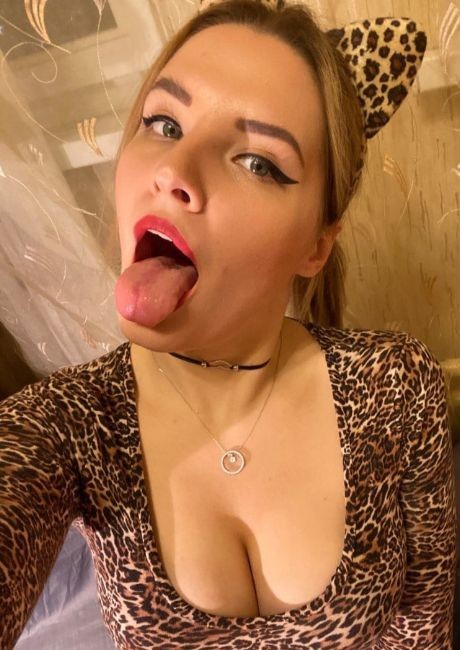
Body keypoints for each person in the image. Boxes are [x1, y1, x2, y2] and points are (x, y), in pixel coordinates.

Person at [0, 0, 456, 648]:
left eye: (258, 162)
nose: (174, 171)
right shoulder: (71, 423)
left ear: (316, 246)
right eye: (164, 123)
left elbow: (424, 620)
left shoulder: (394, 383)